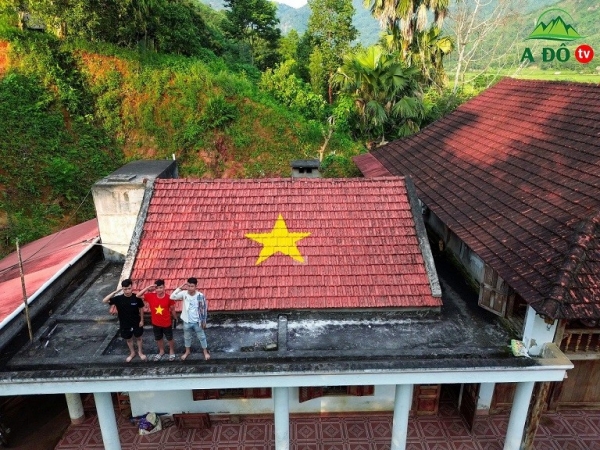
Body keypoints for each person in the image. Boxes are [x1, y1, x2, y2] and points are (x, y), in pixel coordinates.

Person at [102, 279, 146, 362]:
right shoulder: (118, 299)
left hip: (136, 321)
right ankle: (132, 353)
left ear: (131, 287)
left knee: (138, 337)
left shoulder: (136, 298)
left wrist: (142, 320)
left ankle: (140, 352)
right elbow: (104, 300)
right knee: (128, 339)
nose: (127, 291)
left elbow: (141, 308)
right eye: (125, 289)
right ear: (122, 289)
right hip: (124, 323)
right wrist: (115, 292)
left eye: (129, 288)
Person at [170, 277, 210, 361]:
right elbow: (172, 297)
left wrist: (204, 321)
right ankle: (187, 351)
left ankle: (205, 352)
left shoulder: (200, 295)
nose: (190, 288)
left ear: (196, 286)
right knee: (187, 337)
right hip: (187, 321)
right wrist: (180, 288)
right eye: (188, 286)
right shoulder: (184, 293)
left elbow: (203, 309)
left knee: (202, 337)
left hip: (197, 322)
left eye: (192, 286)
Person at [137, 279, 178, 362]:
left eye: (161, 287)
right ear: (155, 288)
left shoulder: (169, 297)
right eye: (157, 288)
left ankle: (171, 351)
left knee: (170, 338)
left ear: (164, 287)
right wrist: (148, 287)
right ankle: (161, 351)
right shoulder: (150, 296)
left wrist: (175, 318)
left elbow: (172, 309)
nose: (159, 290)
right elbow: (138, 295)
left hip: (167, 323)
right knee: (158, 338)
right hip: (156, 323)